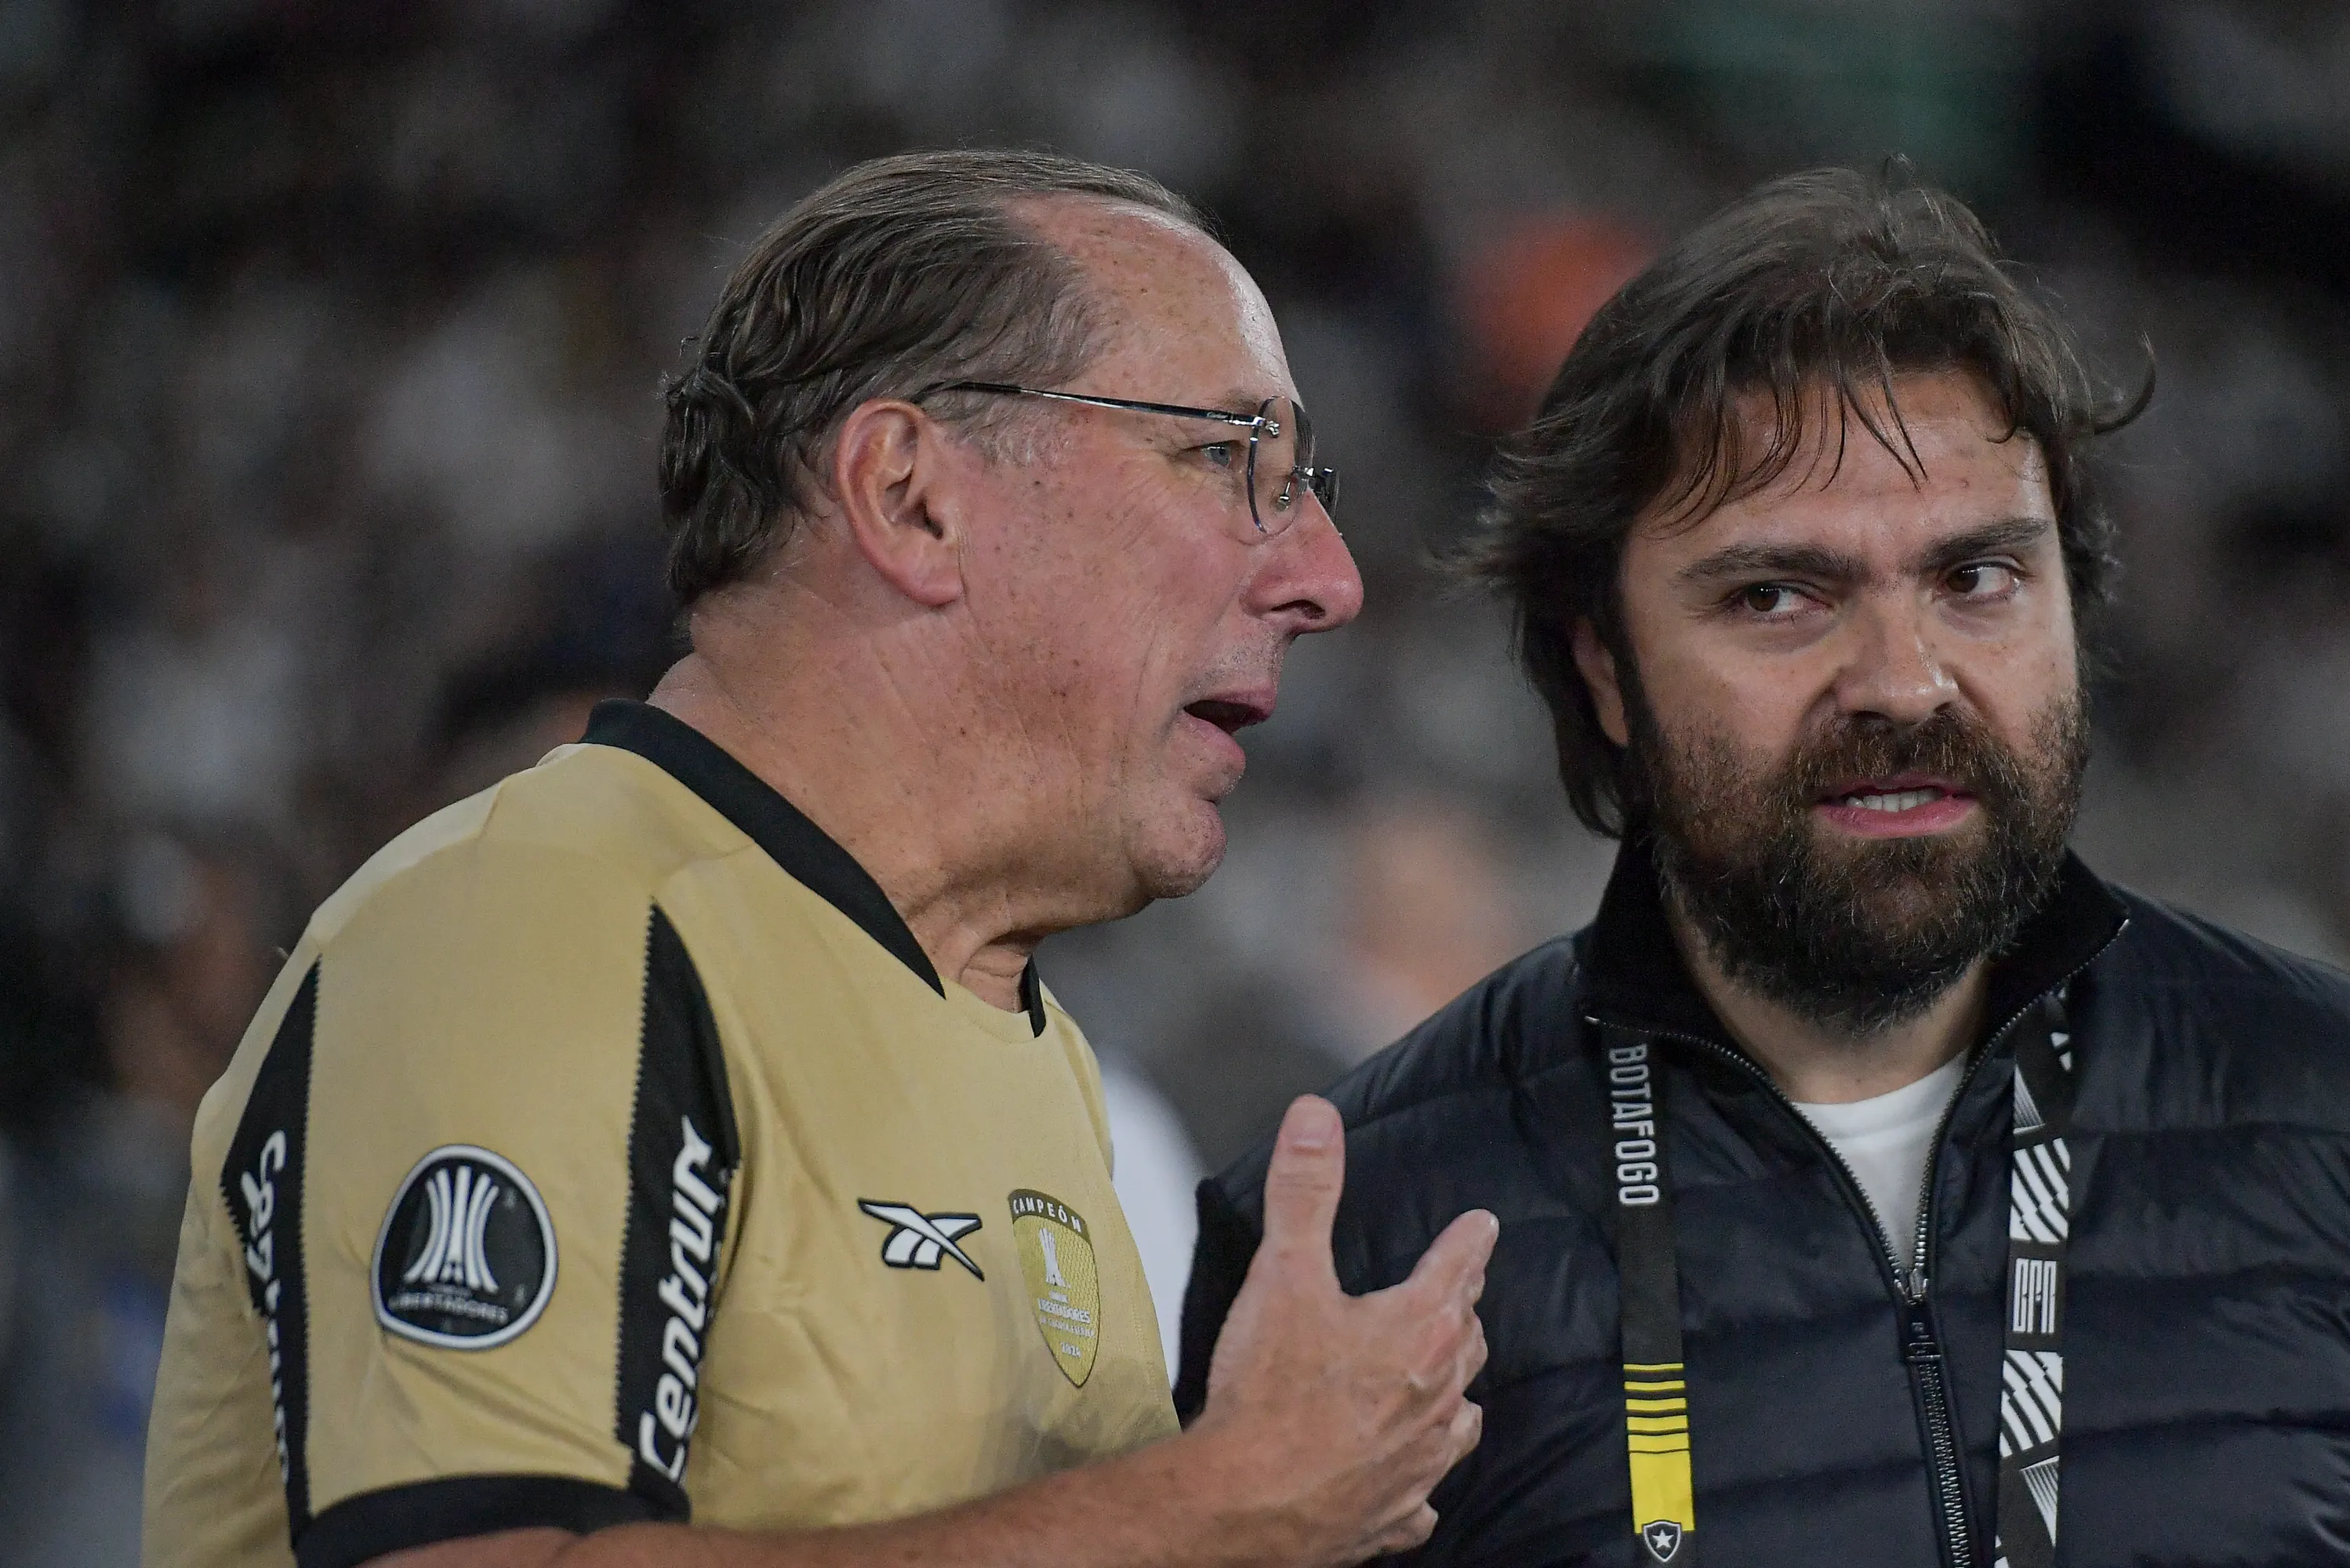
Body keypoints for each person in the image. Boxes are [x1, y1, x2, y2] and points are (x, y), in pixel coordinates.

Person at [143, 149, 1495, 1568]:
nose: (1329, 579)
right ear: (911, 493)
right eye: (1228, 459)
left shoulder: (1030, 1055)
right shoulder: (547, 931)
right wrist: (1213, 1508)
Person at [1178, 167, 2350, 1566]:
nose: (1904, 684)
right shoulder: (1363, 1233)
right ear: (1604, 667)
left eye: (1977, 577)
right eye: (1779, 595)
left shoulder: (2328, 1110)